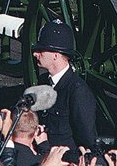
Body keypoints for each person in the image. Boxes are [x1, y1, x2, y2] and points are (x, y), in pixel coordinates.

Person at [31, 19, 97, 150]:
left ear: (55, 55)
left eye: (41, 51)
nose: (35, 54)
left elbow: (87, 140)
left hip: (65, 165)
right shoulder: (44, 81)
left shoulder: (77, 91)